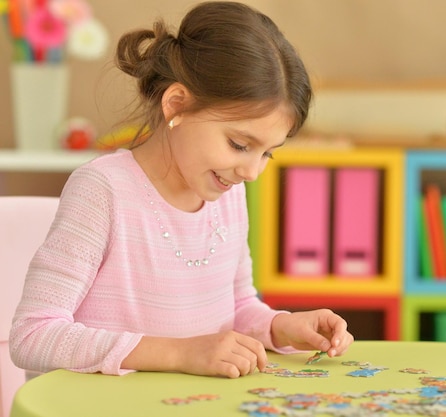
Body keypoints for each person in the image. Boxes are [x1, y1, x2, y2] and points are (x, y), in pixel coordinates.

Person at [10, 1, 353, 379]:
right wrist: (179, 353)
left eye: (268, 153)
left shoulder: (228, 194)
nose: (253, 171)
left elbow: (236, 306)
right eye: (240, 145)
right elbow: (33, 335)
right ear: (176, 106)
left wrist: (279, 326)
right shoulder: (103, 191)